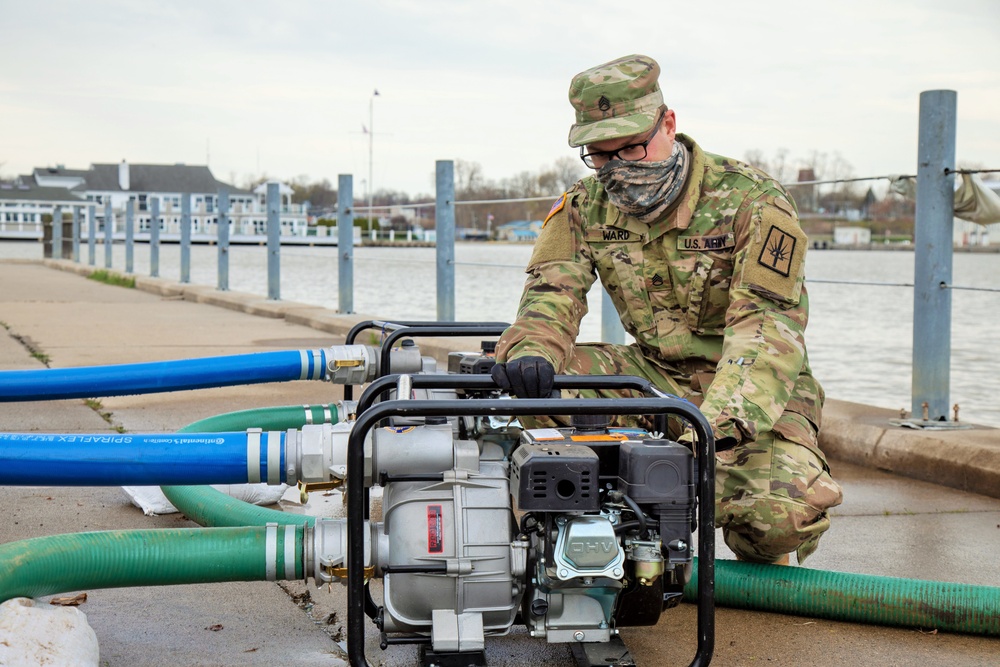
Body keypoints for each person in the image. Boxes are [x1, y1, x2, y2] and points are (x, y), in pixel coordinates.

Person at [491, 54, 842, 565]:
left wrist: (709, 427)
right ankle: (585, 528)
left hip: (752, 390)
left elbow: (766, 330)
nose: (619, 169)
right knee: (527, 386)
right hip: (653, 375)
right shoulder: (582, 205)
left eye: (631, 147)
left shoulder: (753, 202)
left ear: (668, 124)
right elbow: (552, 294)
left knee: (775, 523)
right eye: (601, 156)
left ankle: (723, 496)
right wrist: (530, 354)